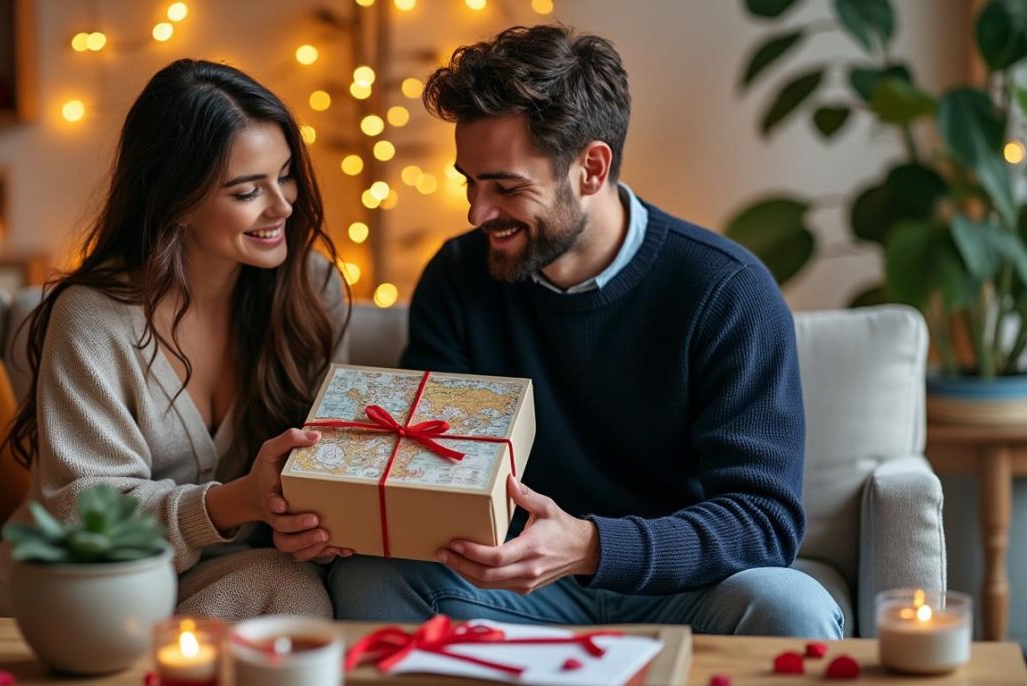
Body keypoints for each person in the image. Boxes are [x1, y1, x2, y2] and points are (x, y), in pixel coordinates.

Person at [328, 26, 843, 638]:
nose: (477, 212)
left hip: (685, 588)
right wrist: (350, 511)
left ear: (591, 169)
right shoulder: (458, 277)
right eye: (470, 181)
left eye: (506, 187)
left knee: (792, 608)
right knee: (369, 580)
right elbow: (427, 468)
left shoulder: (727, 292)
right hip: (516, 585)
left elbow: (764, 522)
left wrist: (594, 546)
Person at [0, 59, 352, 620]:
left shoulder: (312, 292)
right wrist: (237, 501)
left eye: (285, 175)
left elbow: (334, 458)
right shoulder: (93, 319)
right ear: (177, 201)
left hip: (223, 575)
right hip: (83, 580)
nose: (282, 205)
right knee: (282, 591)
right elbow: (85, 515)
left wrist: (318, 522)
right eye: (247, 191)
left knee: (291, 585)